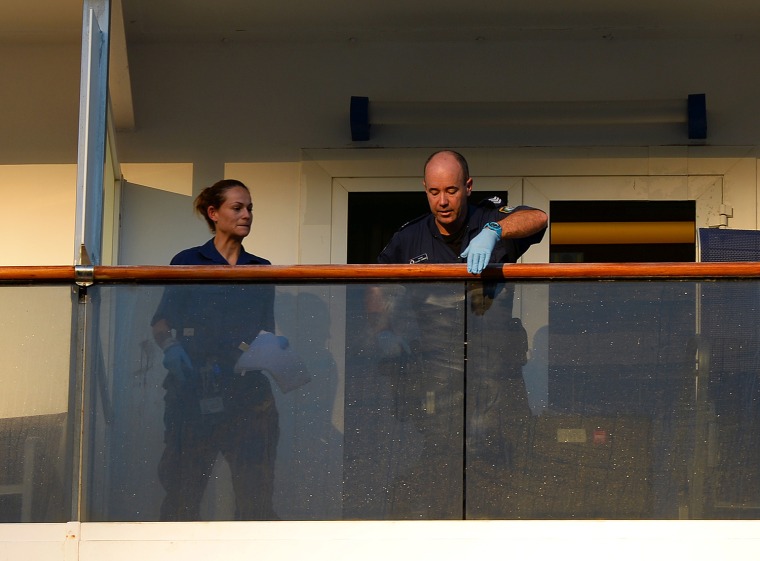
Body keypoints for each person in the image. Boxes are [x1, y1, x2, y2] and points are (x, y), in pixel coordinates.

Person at [373, 150, 547, 518]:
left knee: (496, 459)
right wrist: (383, 331)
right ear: (424, 190)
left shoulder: (488, 219)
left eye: (451, 190)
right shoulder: (410, 238)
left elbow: (538, 217)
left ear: (468, 187)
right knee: (442, 460)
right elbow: (375, 285)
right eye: (434, 191)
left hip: (494, 370)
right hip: (436, 374)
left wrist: (494, 231)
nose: (443, 201)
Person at [151, 179, 280, 521]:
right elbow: (161, 322)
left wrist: (275, 350)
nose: (246, 215)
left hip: (248, 393)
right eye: (237, 208)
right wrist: (171, 348)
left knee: (256, 494)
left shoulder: (260, 269)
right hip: (195, 390)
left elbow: (266, 329)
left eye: (250, 208)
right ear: (214, 212)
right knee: (183, 490)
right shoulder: (188, 261)